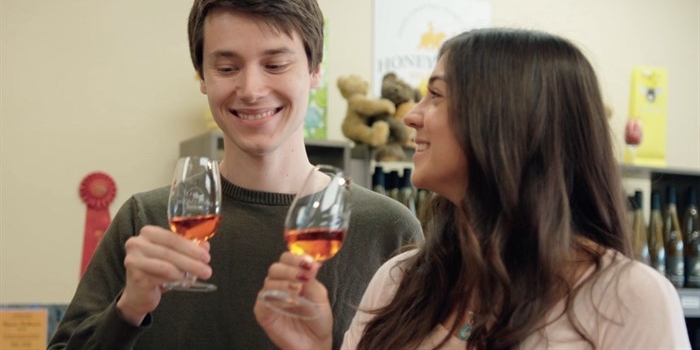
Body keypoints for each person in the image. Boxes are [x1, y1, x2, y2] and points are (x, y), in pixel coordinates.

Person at [48, 0, 423, 350]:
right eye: (227, 68)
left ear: (315, 71)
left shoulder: (389, 231)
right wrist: (127, 310)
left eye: (275, 64)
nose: (251, 89)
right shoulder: (146, 221)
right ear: (202, 77)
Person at [254, 28, 691, 349]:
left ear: (507, 122)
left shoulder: (629, 296)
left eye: (437, 96)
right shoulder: (401, 279)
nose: (411, 116)